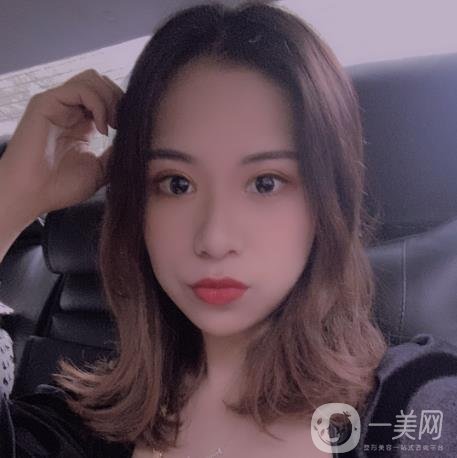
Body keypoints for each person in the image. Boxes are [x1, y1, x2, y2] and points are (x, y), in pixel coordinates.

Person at [0, 1, 456, 457]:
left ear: (326, 202)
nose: (214, 240)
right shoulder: (79, 427)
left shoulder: (414, 404)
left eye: (265, 183)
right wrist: (10, 200)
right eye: (177, 184)